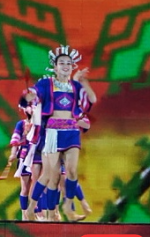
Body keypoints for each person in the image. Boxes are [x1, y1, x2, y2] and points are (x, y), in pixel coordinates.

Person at [23, 45, 97, 221]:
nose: (65, 66)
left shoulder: (75, 86)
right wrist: (30, 96)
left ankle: (68, 207)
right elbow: (33, 93)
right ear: (55, 67)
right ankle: (32, 209)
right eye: (61, 63)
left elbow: (91, 100)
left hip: (71, 131)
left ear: (72, 67)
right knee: (51, 176)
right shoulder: (46, 84)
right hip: (53, 133)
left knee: (72, 171)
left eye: (68, 63)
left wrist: (84, 82)